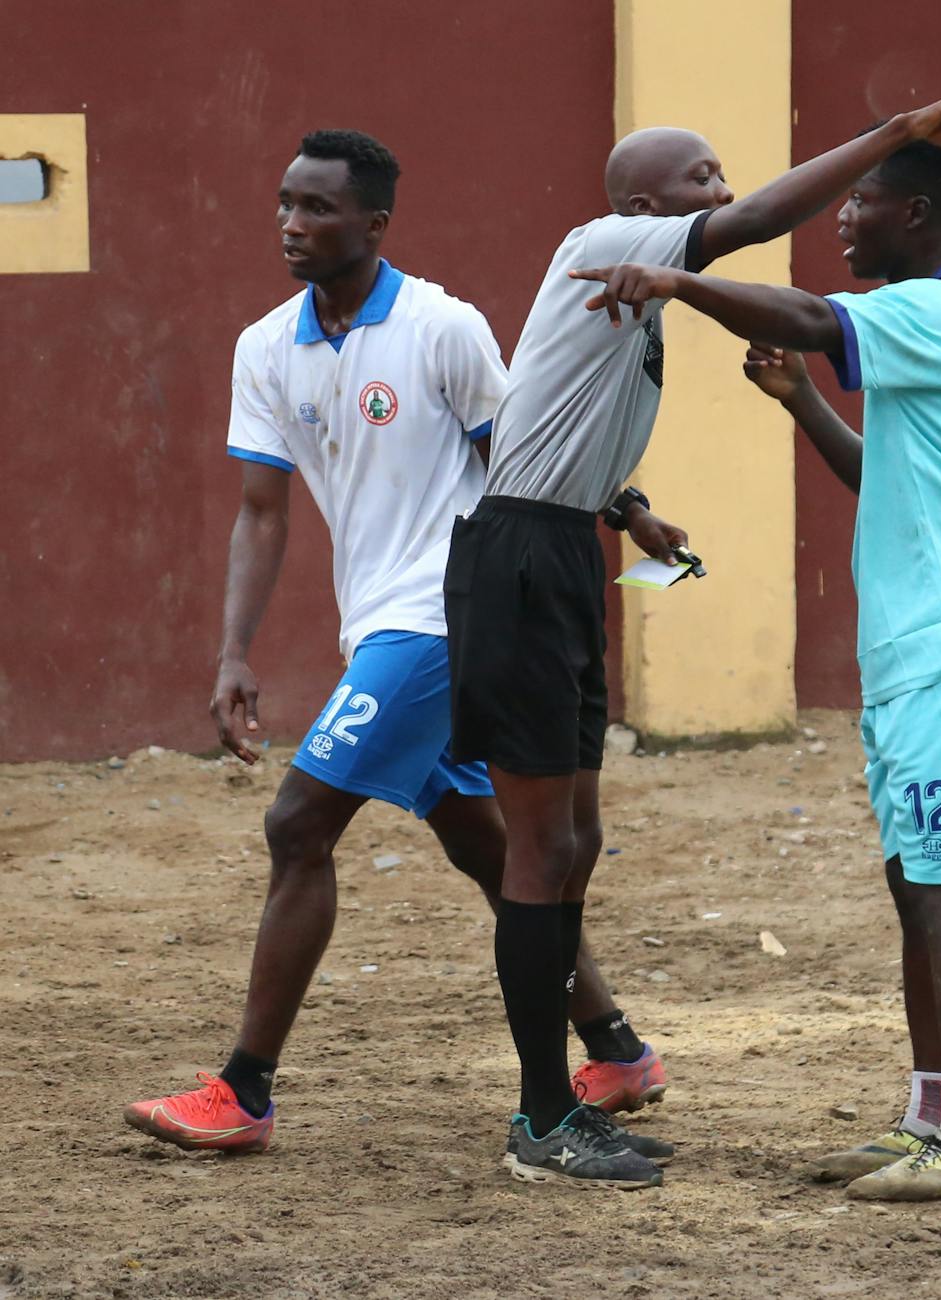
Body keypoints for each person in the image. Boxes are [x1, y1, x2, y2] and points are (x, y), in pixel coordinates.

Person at [446, 83, 941, 1187]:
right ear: (640, 205)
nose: (723, 190)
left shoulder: (648, 289)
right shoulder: (611, 241)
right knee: (541, 847)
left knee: (575, 842)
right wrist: (899, 130)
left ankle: (573, 1096)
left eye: (719, 174)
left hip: (562, 546)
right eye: (699, 177)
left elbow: (557, 421)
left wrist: (622, 507)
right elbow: (757, 230)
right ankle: (540, 1116)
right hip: (517, 557)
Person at [123, 131, 677, 1183]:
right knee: (481, 843)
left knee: (299, 825)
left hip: (444, 618)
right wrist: (232, 652)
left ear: (373, 225)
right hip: (376, 622)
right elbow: (260, 510)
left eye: (319, 209)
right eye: (285, 203)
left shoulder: (441, 327)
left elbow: (526, 454)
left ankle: (242, 1092)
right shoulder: (264, 347)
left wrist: (631, 512)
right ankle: (614, 1051)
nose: (292, 223)